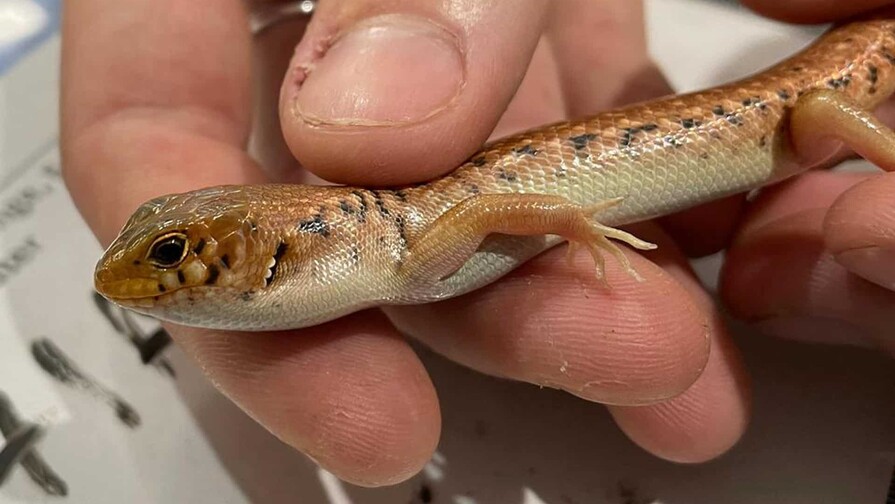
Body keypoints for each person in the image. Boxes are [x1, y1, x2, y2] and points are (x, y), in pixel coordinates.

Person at [60, 0, 895, 487]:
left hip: (784, 110)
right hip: (769, 119)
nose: (155, 269)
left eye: (172, 253)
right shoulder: (375, 254)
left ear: (262, 251)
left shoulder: (401, 248)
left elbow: (480, 210)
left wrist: (569, 222)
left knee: (819, 119)